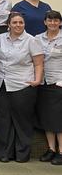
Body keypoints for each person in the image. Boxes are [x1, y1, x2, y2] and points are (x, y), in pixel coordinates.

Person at [0, 12, 44, 163]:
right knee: (3, 121)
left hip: (22, 85)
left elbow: (39, 63)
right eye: (14, 22)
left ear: (24, 24)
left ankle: (22, 154)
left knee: (22, 122)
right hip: (0, 84)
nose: (17, 25)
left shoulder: (31, 41)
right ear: (8, 24)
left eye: (20, 22)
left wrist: (37, 80)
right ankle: (5, 153)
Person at [36, 10, 62, 165]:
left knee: (58, 120)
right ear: (45, 22)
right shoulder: (38, 39)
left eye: (56, 20)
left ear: (60, 22)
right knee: (46, 119)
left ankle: (61, 151)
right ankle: (51, 149)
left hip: (58, 83)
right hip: (43, 83)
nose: (53, 23)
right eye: (50, 20)